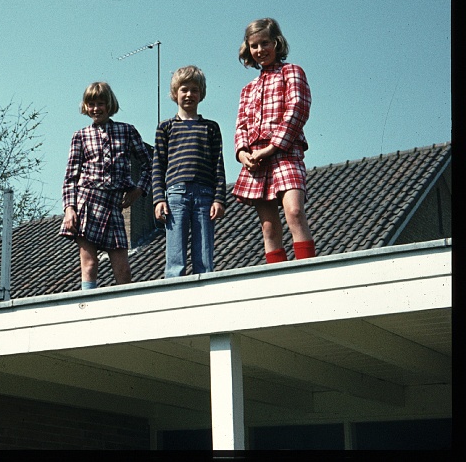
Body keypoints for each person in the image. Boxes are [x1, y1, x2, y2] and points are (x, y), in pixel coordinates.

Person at [232, 17, 316, 263]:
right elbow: (241, 125)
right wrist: (242, 153)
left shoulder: (292, 72)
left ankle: (307, 271)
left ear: (277, 43)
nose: (260, 50)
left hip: (284, 153)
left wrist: (271, 147)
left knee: (295, 212)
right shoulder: (248, 88)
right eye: (254, 46)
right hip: (257, 160)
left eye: (265, 43)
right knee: (268, 227)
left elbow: (298, 108)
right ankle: (276, 277)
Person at [60, 82, 152, 290]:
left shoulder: (127, 131)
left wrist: (138, 190)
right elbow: (70, 177)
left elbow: (149, 164)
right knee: (89, 264)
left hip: (113, 206)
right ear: (85, 106)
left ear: (109, 104)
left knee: (123, 269)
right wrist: (69, 209)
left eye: (100, 103)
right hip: (87, 203)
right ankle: (88, 307)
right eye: (91, 104)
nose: (95, 108)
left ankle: (125, 310)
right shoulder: (80, 136)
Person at [152, 65, 226, 277]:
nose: (189, 94)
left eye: (194, 89)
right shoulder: (165, 128)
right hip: (176, 195)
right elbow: (158, 165)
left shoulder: (210, 127)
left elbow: (218, 165)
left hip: (204, 195)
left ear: (201, 93)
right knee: (175, 258)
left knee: (204, 258)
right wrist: (159, 199)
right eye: (184, 89)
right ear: (175, 93)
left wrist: (219, 199)